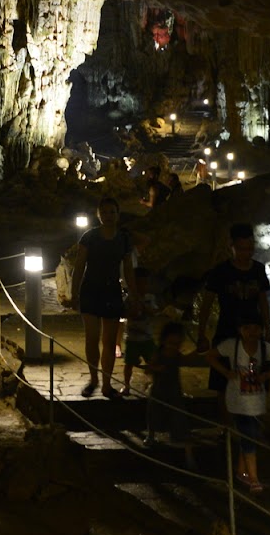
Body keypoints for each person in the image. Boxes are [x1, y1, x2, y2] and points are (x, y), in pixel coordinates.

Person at [195, 224, 270, 425]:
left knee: (254, 380)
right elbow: (206, 304)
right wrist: (201, 333)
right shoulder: (220, 272)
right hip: (227, 330)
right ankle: (226, 428)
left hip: (253, 334)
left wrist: (268, 330)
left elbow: (263, 301)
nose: (246, 253)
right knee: (223, 383)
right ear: (232, 246)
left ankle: (251, 425)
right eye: (241, 249)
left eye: (249, 248)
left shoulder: (258, 269)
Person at [67, 197, 140, 398]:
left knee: (109, 342)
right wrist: (74, 292)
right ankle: (94, 378)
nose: (108, 216)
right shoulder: (89, 237)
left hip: (111, 291)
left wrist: (134, 295)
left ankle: (106, 383)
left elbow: (128, 269)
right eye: (104, 212)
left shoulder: (123, 239)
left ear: (118, 215)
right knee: (91, 339)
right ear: (98, 215)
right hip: (91, 290)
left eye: (112, 212)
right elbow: (80, 266)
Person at [206, 314, 270, 493]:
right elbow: (211, 356)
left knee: (250, 435)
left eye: (256, 328)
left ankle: (241, 471)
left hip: (257, 400)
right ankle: (254, 478)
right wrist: (226, 372)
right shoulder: (232, 345)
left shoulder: (265, 348)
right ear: (240, 330)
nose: (252, 332)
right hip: (238, 400)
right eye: (247, 328)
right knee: (249, 434)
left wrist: (266, 375)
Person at [146, 321, 199, 466]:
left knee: (180, 419)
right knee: (153, 413)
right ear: (163, 340)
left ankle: (188, 453)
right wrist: (156, 369)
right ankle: (151, 435)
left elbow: (186, 360)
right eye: (170, 342)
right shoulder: (158, 354)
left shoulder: (176, 354)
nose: (173, 346)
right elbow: (148, 369)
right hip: (159, 391)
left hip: (174, 392)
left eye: (177, 343)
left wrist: (197, 352)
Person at [120, 267, 158, 395]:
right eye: (139, 283)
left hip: (148, 338)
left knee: (153, 362)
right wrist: (132, 311)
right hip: (132, 338)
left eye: (145, 283)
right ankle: (126, 386)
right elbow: (124, 313)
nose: (142, 286)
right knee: (128, 364)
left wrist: (144, 308)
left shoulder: (150, 298)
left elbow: (154, 312)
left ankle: (155, 385)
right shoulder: (129, 298)